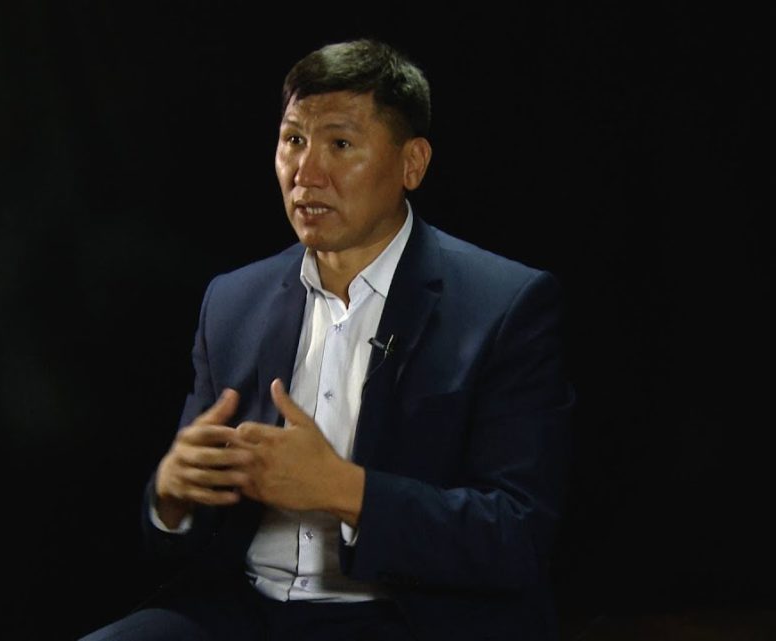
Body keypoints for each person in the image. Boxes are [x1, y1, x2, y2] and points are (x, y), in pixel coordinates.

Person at [81, 38, 574, 641]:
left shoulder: (502, 305)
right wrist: (172, 498)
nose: (306, 174)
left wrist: (345, 490)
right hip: (242, 609)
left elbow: (517, 534)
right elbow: (184, 533)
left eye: (339, 144)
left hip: (404, 617)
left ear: (412, 163)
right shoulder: (232, 302)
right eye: (293, 140)